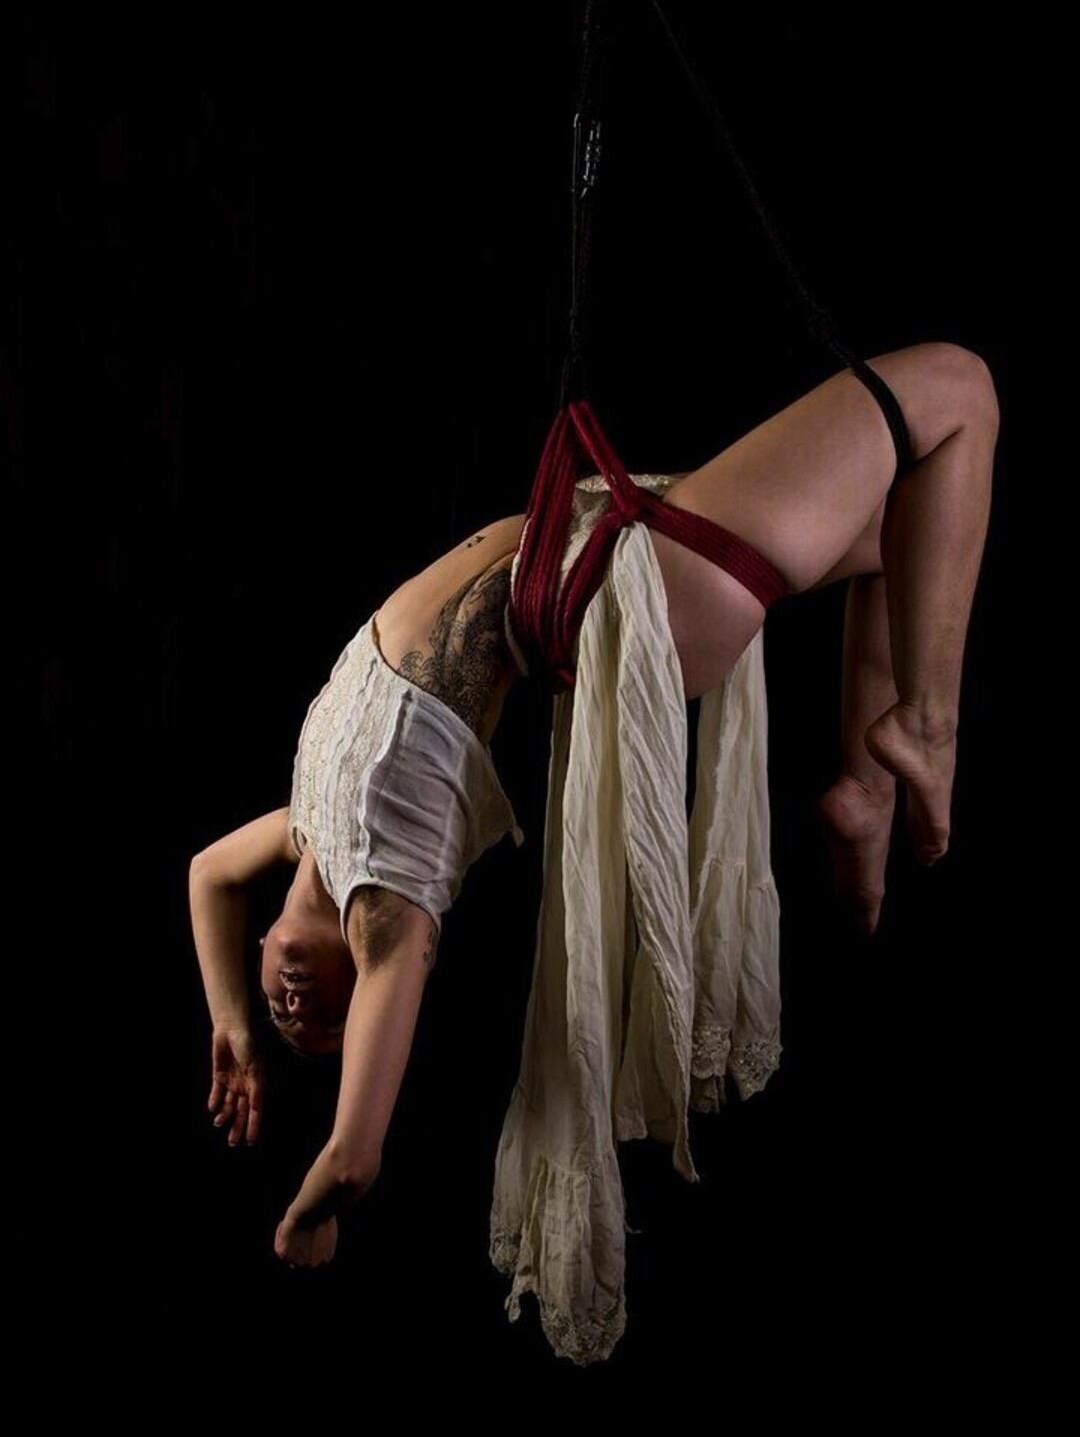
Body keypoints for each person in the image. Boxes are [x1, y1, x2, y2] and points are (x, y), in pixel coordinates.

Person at [187, 341, 998, 1287]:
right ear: (362, 992)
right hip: (637, 585)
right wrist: (314, 1210)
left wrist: (236, 1028)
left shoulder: (312, 828)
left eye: (284, 1012)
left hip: (605, 542)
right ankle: (927, 730)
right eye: (326, 1025)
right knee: (959, 391)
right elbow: (354, 1155)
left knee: (914, 528)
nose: (298, 1010)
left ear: (261, 948)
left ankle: (868, 793)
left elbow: (206, 875)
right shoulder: (388, 908)